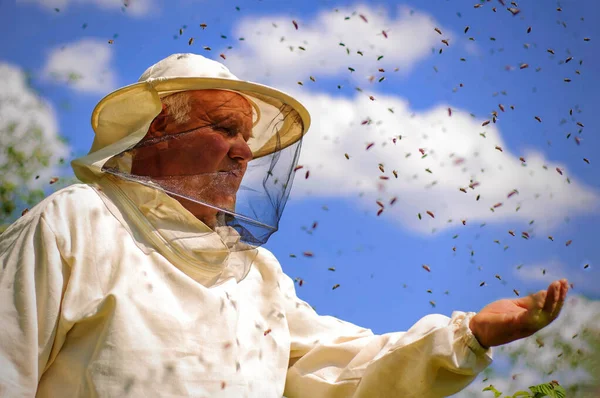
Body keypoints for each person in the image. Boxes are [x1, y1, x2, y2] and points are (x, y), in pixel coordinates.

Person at [0, 53, 569, 398]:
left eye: (248, 138)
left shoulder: (254, 275)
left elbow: (342, 370)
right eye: (224, 128)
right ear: (155, 133)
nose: (244, 153)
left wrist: (468, 335)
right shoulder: (75, 222)